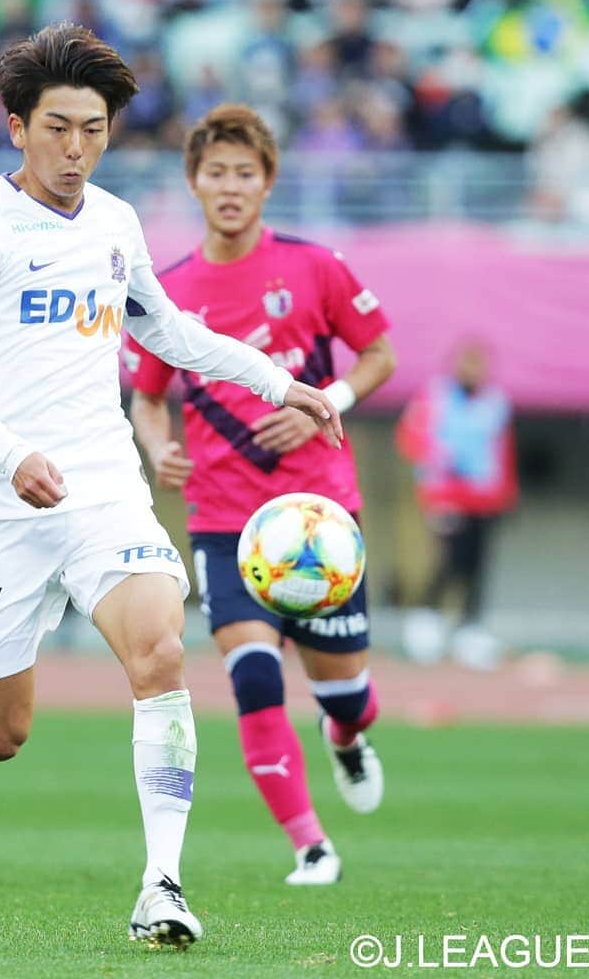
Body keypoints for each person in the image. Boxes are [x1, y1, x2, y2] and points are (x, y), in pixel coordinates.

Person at [0, 24, 344, 949]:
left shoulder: (113, 223)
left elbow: (165, 329)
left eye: (93, 130)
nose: (76, 149)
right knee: (2, 731)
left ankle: (161, 887)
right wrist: (11, 454)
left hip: (102, 486)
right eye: (57, 128)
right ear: (18, 128)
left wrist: (276, 380)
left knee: (162, 654)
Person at [126, 104, 396, 885]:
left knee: (346, 695)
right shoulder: (169, 291)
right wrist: (157, 447)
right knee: (252, 677)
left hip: (320, 517)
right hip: (225, 521)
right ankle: (311, 846)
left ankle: (346, 736)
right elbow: (148, 397)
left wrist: (325, 405)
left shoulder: (315, 267)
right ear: (193, 182)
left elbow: (379, 353)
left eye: (245, 173)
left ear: (268, 181)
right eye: (216, 173)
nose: (231, 186)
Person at [395, 340, 517, 667]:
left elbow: (502, 451)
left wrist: (506, 494)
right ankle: (425, 621)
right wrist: (436, 473)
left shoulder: (496, 403)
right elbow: (410, 438)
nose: (474, 371)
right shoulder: (435, 396)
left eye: (480, 364)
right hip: (447, 495)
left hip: (485, 499)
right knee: (450, 559)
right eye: (468, 363)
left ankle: (470, 629)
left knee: (478, 565)